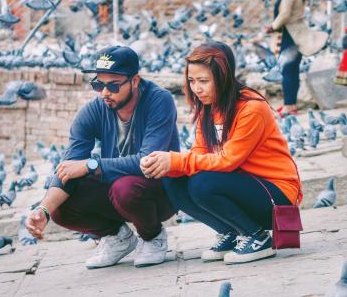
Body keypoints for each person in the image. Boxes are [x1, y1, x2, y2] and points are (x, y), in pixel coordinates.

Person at [140, 41, 302, 264]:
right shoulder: (208, 108)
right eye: (192, 81)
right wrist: (165, 164)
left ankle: (256, 236)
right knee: (172, 180)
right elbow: (198, 154)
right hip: (245, 185)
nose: (197, 88)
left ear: (223, 76)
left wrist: (175, 159)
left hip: (277, 196)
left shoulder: (251, 108)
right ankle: (232, 232)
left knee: (202, 183)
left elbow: (228, 161)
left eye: (204, 81)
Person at [25, 46, 180, 269]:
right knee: (60, 206)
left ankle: (152, 237)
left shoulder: (159, 100)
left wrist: (91, 165)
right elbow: (68, 167)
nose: (104, 92)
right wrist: (44, 211)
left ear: (134, 81)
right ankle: (118, 238)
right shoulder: (93, 110)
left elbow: (147, 161)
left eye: (113, 85)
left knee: (124, 188)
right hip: (118, 189)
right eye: (98, 84)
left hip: (160, 191)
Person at [265, 0, 328, 115]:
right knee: (292, 70)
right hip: (293, 34)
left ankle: (289, 105)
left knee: (287, 71)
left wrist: (272, 27)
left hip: (291, 36)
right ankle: (291, 105)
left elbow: (285, 14)